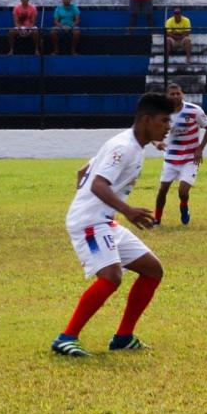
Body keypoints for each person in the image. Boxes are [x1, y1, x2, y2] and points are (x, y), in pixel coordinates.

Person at [50, 92, 174, 357]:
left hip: (103, 220)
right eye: (164, 121)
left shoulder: (130, 144)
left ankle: (123, 337)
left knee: (152, 270)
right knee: (111, 276)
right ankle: (66, 338)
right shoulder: (124, 147)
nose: (168, 127)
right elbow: (96, 183)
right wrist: (125, 210)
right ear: (146, 120)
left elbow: (83, 172)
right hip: (91, 222)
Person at [153, 83, 207, 226]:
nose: (175, 96)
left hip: (190, 159)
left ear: (182, 94)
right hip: (171, 158)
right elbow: (151, 132)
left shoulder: (194, 111)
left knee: (183, 191)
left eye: (177, 93)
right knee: (162, 190)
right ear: (167, 96)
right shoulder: (162, 113)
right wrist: (157, 143)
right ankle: (157, 219)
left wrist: (200, 148)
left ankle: (184, 206)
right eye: (172, 94)